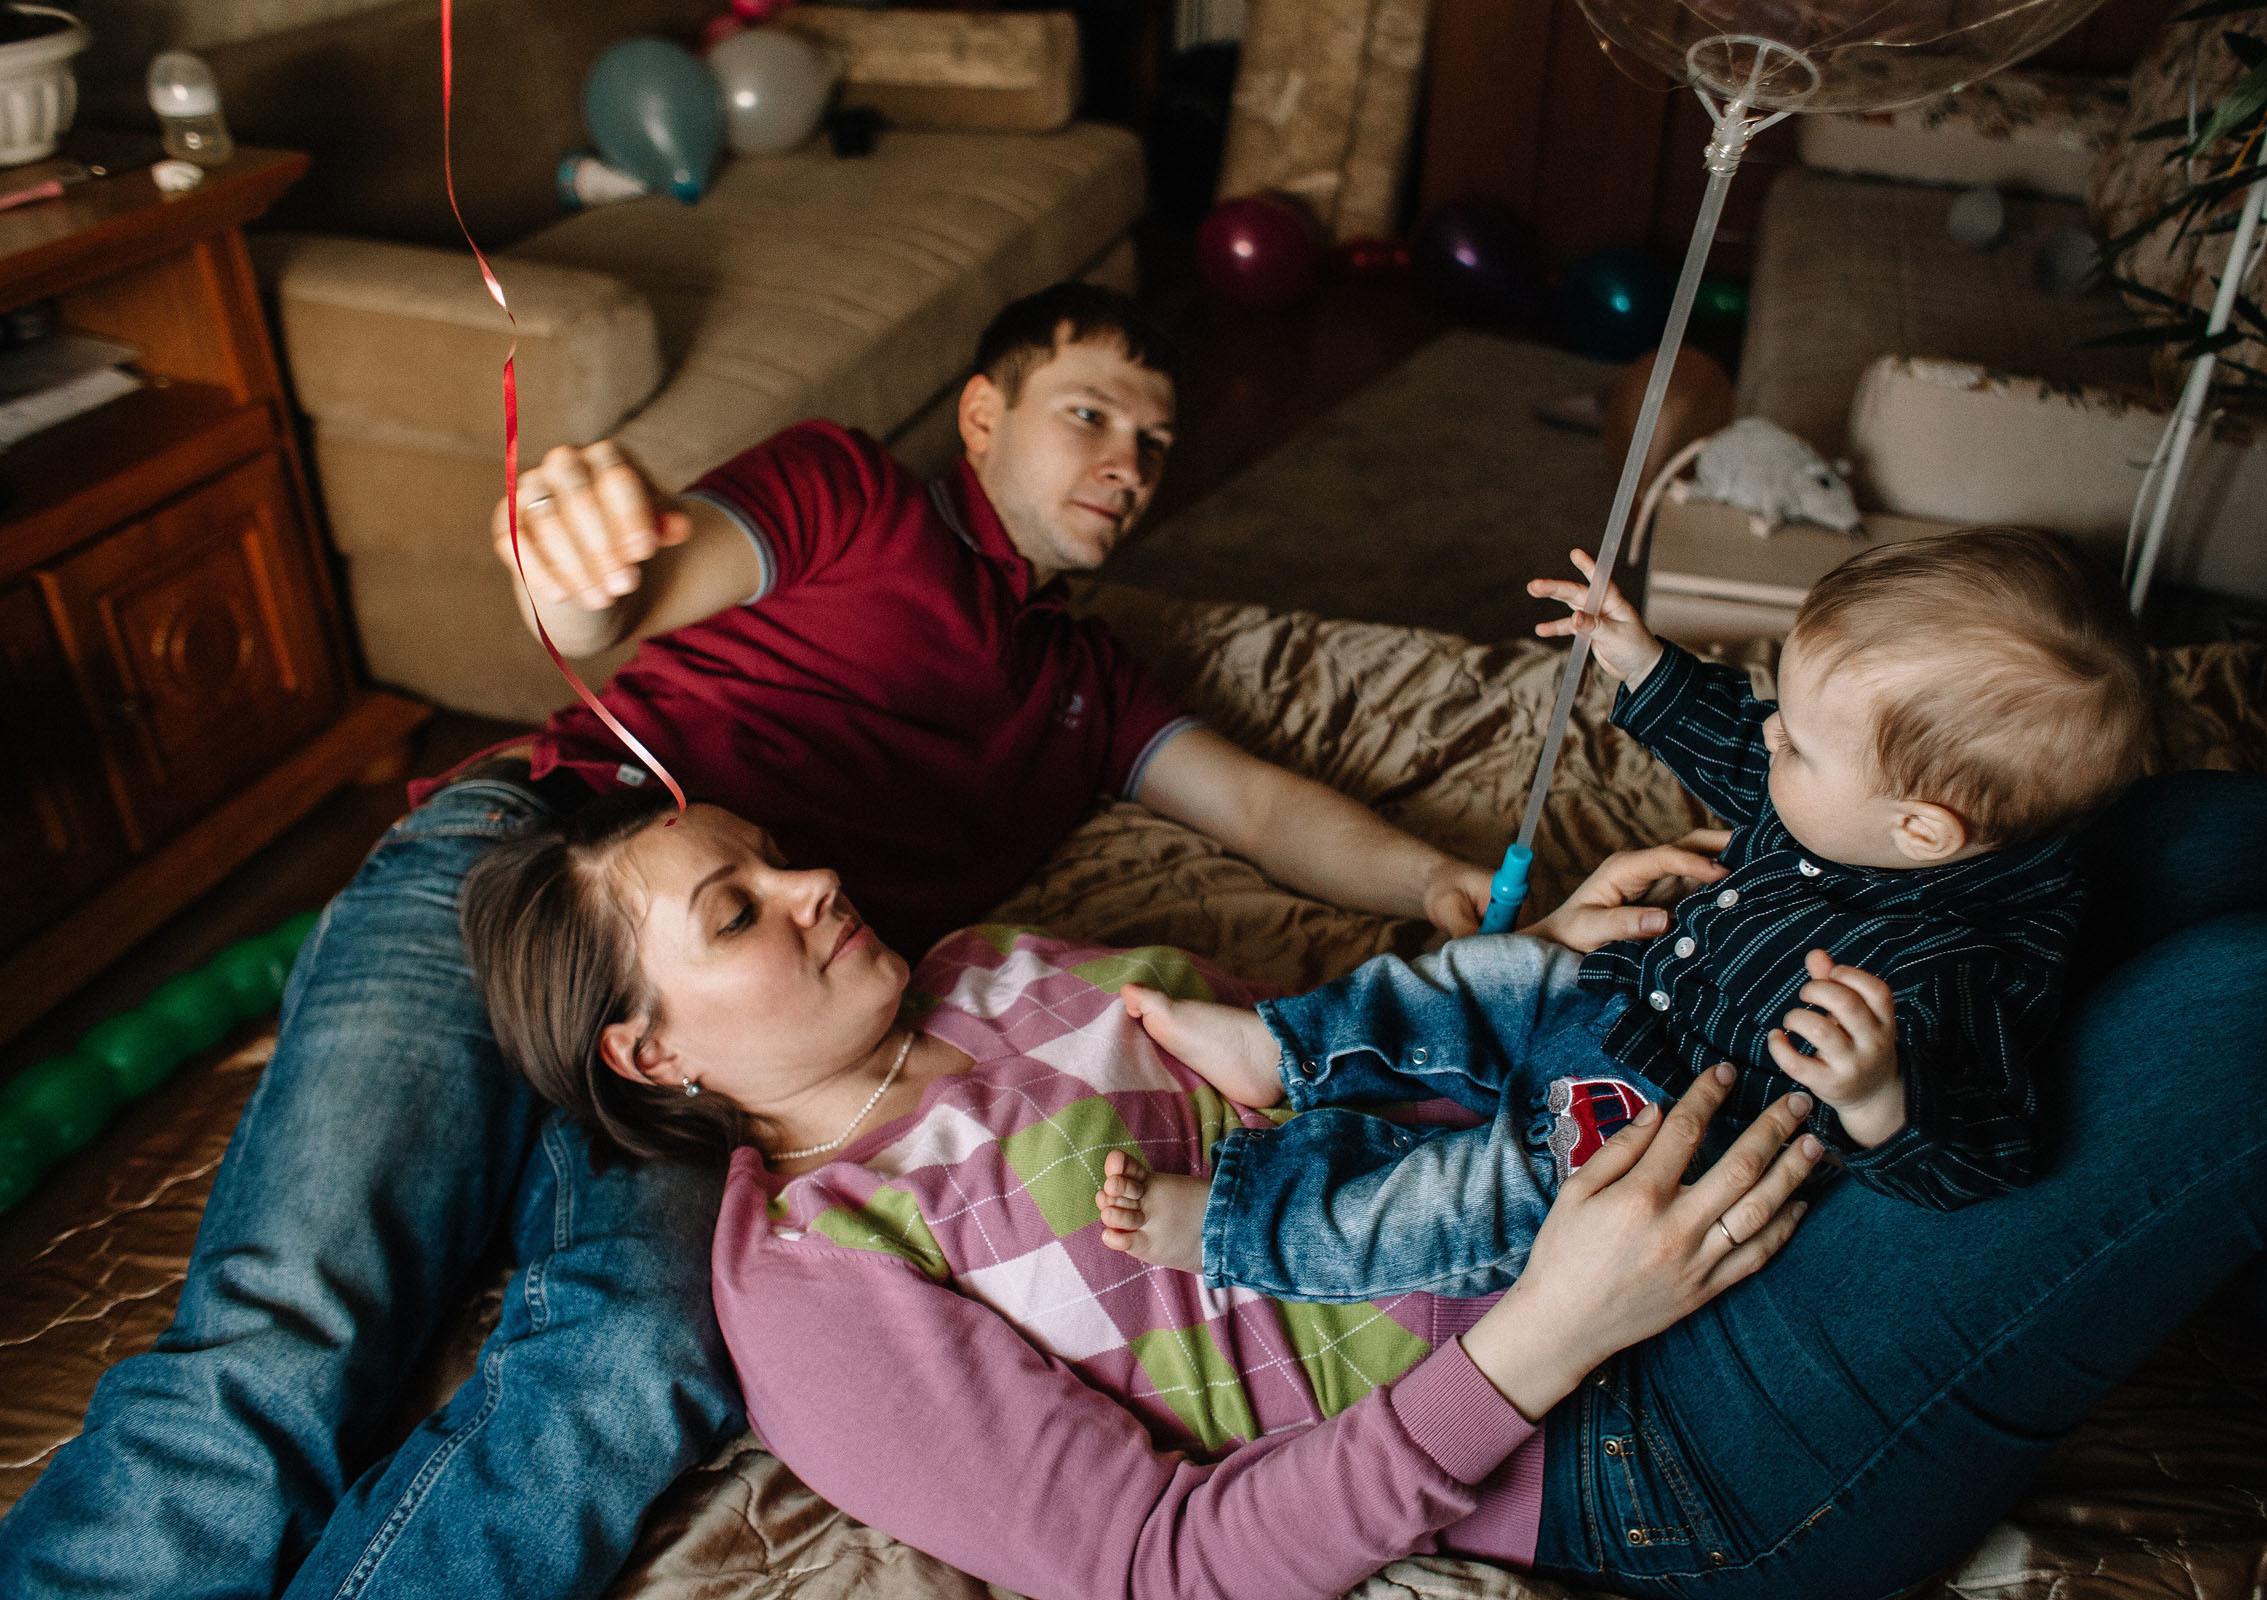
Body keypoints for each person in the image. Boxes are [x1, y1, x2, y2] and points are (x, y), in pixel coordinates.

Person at [0, 283, 1490, 1600]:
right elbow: (632, 583)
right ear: (982, 414)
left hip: (725, 1033)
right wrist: (581, 563)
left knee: (635, 1359)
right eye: (1087, 413)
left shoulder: (1087, 688)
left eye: (1154, 444)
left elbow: (1261, 805)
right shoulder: (855, 496)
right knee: (287, 1338)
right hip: (517, 875)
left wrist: (1448, 887)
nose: (1123, 464)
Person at [456, 770, 2267, 1600]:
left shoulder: (984, 966)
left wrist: (1534, 977)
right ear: (652, 1052)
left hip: (1627, 1142)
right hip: (1663, 1437)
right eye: (740, 910)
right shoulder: (815, 1278)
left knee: (2220, 838)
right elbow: (1159, 1565)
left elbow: (1320, 1086)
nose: (813, 886)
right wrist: (1551, 1335)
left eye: (774, 855)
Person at [1095, 526, 2155, 1298]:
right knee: (1473, 979)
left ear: (1923, 831)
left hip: (1644, 1127)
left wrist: (1883, 1099)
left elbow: (1991, 1152)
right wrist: (1645, 664)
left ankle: (1242, 1222)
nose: (1769, 733)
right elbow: (1742, 748)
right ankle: (1283, 1051)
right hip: (1620, 987)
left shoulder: (1964, 966)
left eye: (1801, 741)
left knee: (1467, 1198)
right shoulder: (1857, 801)